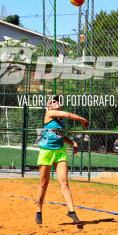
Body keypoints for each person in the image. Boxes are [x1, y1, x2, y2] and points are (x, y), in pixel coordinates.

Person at [34, 96, 88, 225]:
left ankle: (71, 211)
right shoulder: (49, 113)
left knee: (64, 183)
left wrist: (72, 142)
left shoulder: (60, 120)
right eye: (52, 101)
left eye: (57, 100)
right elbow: (68, 114)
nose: (55, 102)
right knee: (43, 184)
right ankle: (38, 210)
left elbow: (60, 136)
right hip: (46, 151)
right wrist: (82, 120)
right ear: (49, 106)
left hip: (60, 152)